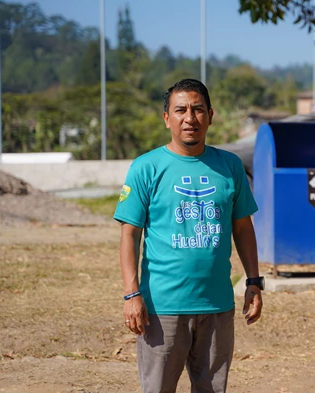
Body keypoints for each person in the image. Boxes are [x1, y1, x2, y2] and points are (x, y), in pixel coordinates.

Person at [113, 78, 264, 393]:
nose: (189, 118)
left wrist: (253, 281)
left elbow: (243, 227)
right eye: (180, 110)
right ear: (167, 118)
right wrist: (131, 294)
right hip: (162, 308)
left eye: (197, 110)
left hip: (218, 305)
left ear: (210, 115)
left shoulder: (230, 167)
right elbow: (130, 234)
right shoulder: (146, 168)